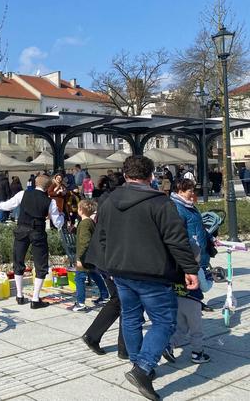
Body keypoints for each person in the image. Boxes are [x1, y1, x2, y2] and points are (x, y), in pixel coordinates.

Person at [85, 156, 200, 400]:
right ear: (151, 176)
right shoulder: (160, 202)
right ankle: (144, 367)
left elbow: (102, 237)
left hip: (120, 271)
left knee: (131, 317)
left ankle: (139, 365)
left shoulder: (109, 201)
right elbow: (176, 239)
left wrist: (108, 267)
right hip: (152, 273)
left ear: (126, 175)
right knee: (164, 321)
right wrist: (190, 269)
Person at [163, 178, 212, 365]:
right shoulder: (177, 208)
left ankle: (169, 344)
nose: (192, 193)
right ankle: (196, 352)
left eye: (193, 189)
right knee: (193, 323)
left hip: (194, 259)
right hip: (189, 261)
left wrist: (208, 238)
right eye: (188, 190)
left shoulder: (189, 206)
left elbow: (197, 228)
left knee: (182, 323)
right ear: (178, 190)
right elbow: (178, 237)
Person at [0, 174, 64, 308]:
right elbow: (57, 223)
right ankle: (35, 299)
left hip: (22, 229)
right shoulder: (49, 201)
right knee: (40, 265)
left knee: (18, 261)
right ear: (48, 187)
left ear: (35, 183)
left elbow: (8, 206)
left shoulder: (23, 194)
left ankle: (19, 295)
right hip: (38, 232)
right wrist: (62, 218)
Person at [81, 172, 128, 359]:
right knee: (125, 300)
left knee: (119, 299)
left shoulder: (105, 199)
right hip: (111, 259)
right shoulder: (117, 201)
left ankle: (93, 336)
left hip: (103, 258)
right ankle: (124, 348)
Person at [73, 199, 108, 311]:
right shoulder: (91, 222)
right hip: (91, 256)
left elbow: (85, 242)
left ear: (80, 210)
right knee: (95, 275)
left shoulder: (84, 223)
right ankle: (104, 296)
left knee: (79, 278)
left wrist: (80, 258)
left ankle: (80, 303)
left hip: (84, 257)